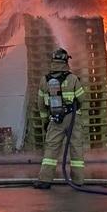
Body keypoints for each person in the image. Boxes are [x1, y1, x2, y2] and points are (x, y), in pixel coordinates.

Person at [36, 47, 88, 187]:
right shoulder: (72, 79)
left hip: (55, 119)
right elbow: (82, 98)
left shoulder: (44, 80)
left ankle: (45, 180)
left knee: (51, 148)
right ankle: (78, 180)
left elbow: (40, 104)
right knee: (76, 148)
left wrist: (45, 120)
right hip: (73, 118)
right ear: (66, 62)